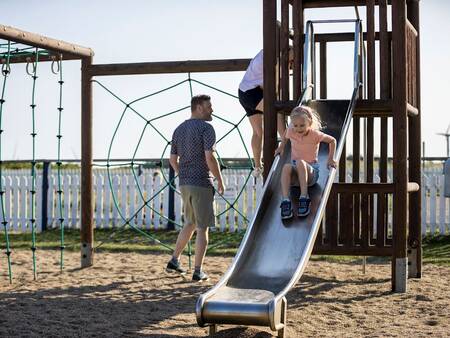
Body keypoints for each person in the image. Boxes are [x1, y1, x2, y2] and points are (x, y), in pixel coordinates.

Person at [166, 94, 224, 282]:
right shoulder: (206, 128)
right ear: (198, 107)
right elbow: (210, 157)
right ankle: (198, 271)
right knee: (202, 228)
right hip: (201, 182)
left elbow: (172, 160)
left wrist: (181, 173)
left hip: (185, 183)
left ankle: (174, 260)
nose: (212, 109)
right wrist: (220, 180)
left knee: (190, 223)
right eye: (209, 106)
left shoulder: (179, 129)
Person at [238, 49, 293, 177]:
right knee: (276, 112)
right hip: (253, 93)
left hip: (244, 91)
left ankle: (257, 166)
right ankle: (286, 146)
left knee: (258, 132)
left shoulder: (267, 53)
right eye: (292, 61)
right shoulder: (276, 59)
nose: (291, 66)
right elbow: (274, 86)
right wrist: (277, 101)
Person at [275, 106, 337, 219]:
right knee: (287, 167)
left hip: (311, 175)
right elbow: (285, 136)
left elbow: (332, 140)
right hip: (296, 179)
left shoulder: (315, 134)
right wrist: (281, 147)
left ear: (309, 122)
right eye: (295, 125)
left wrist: (331, 158)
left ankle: (304, 197)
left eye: (302, 125)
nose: (298, 128)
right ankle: (285, 200)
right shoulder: (291, 131)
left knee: (300, 163)